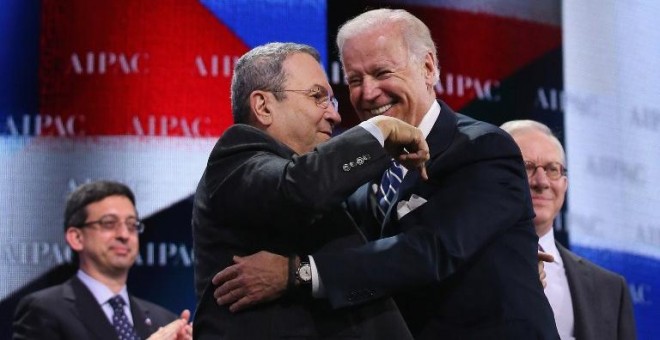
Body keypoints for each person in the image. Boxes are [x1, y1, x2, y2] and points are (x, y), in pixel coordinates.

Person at [212, 8, 559, 340]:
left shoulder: (483, 148)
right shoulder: (361, 176)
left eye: (381, 73)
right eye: (354, 79)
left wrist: (301, 273)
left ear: (428, 67)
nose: (367, 93)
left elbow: (431, 251)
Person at [191, 42, 429, 339]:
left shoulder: (318, 182)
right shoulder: (236, 156)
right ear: (264, 107)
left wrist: (296, 273)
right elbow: (299, 189)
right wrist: (377, 132)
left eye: (332, 101)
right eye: (317, 97)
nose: (335, 116)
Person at [500, 120, 637, 340]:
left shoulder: (610, 289)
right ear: (494, 176)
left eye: (553, 169)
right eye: (526, 167)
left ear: (564, 183)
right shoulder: (461, 266)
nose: (542, 181)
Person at [13, 180, 193, 340]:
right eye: (109, 223)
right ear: (76, 237)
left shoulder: (164, 320)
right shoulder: (45, 310)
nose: (124, 235)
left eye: (132, 225)